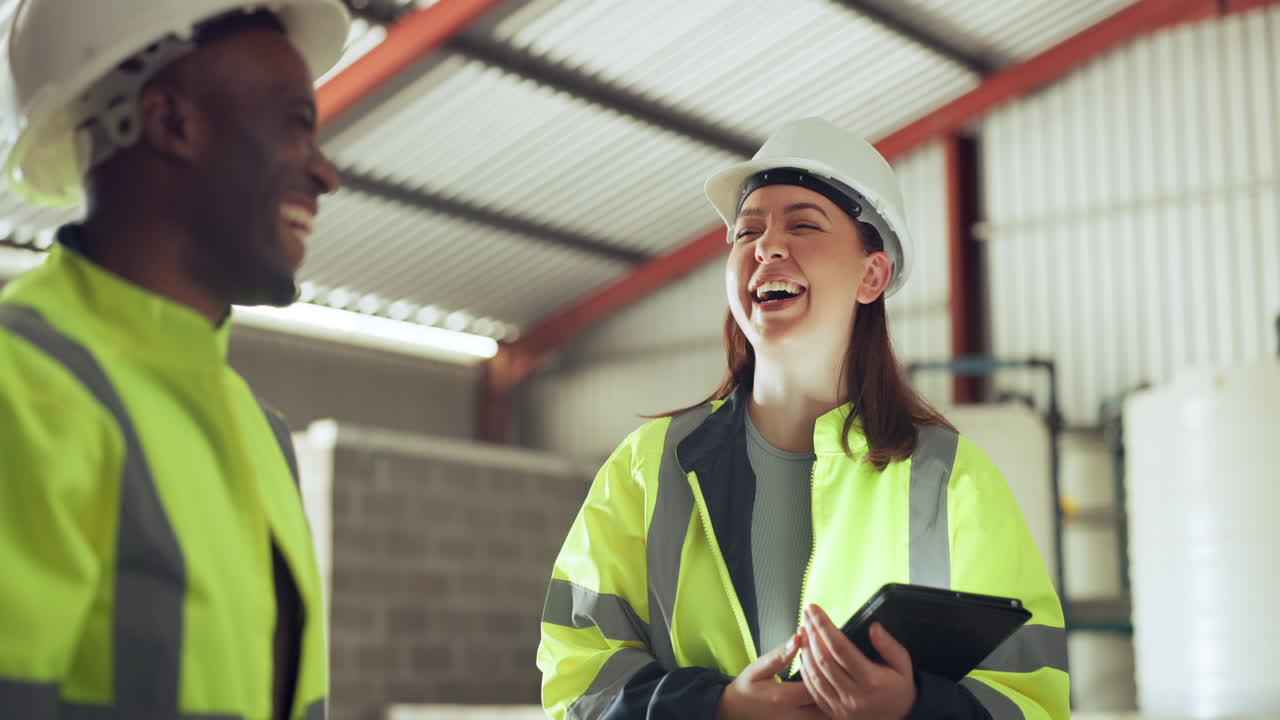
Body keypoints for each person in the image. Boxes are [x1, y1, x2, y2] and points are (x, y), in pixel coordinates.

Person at [537, 117, 1068, 719]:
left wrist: (913, 709)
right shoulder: (646, 467)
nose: (766, 246)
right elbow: (574, 683)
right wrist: (719, 710)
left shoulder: (951, 479)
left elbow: (1033, 698)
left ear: (872, 275)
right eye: (747, 232)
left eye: (804, 224)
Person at [0, 1, 350, 718]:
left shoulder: (259, 430)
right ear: (169, 122)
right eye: (295, 121)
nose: (324, 172)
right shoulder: (22, 389)